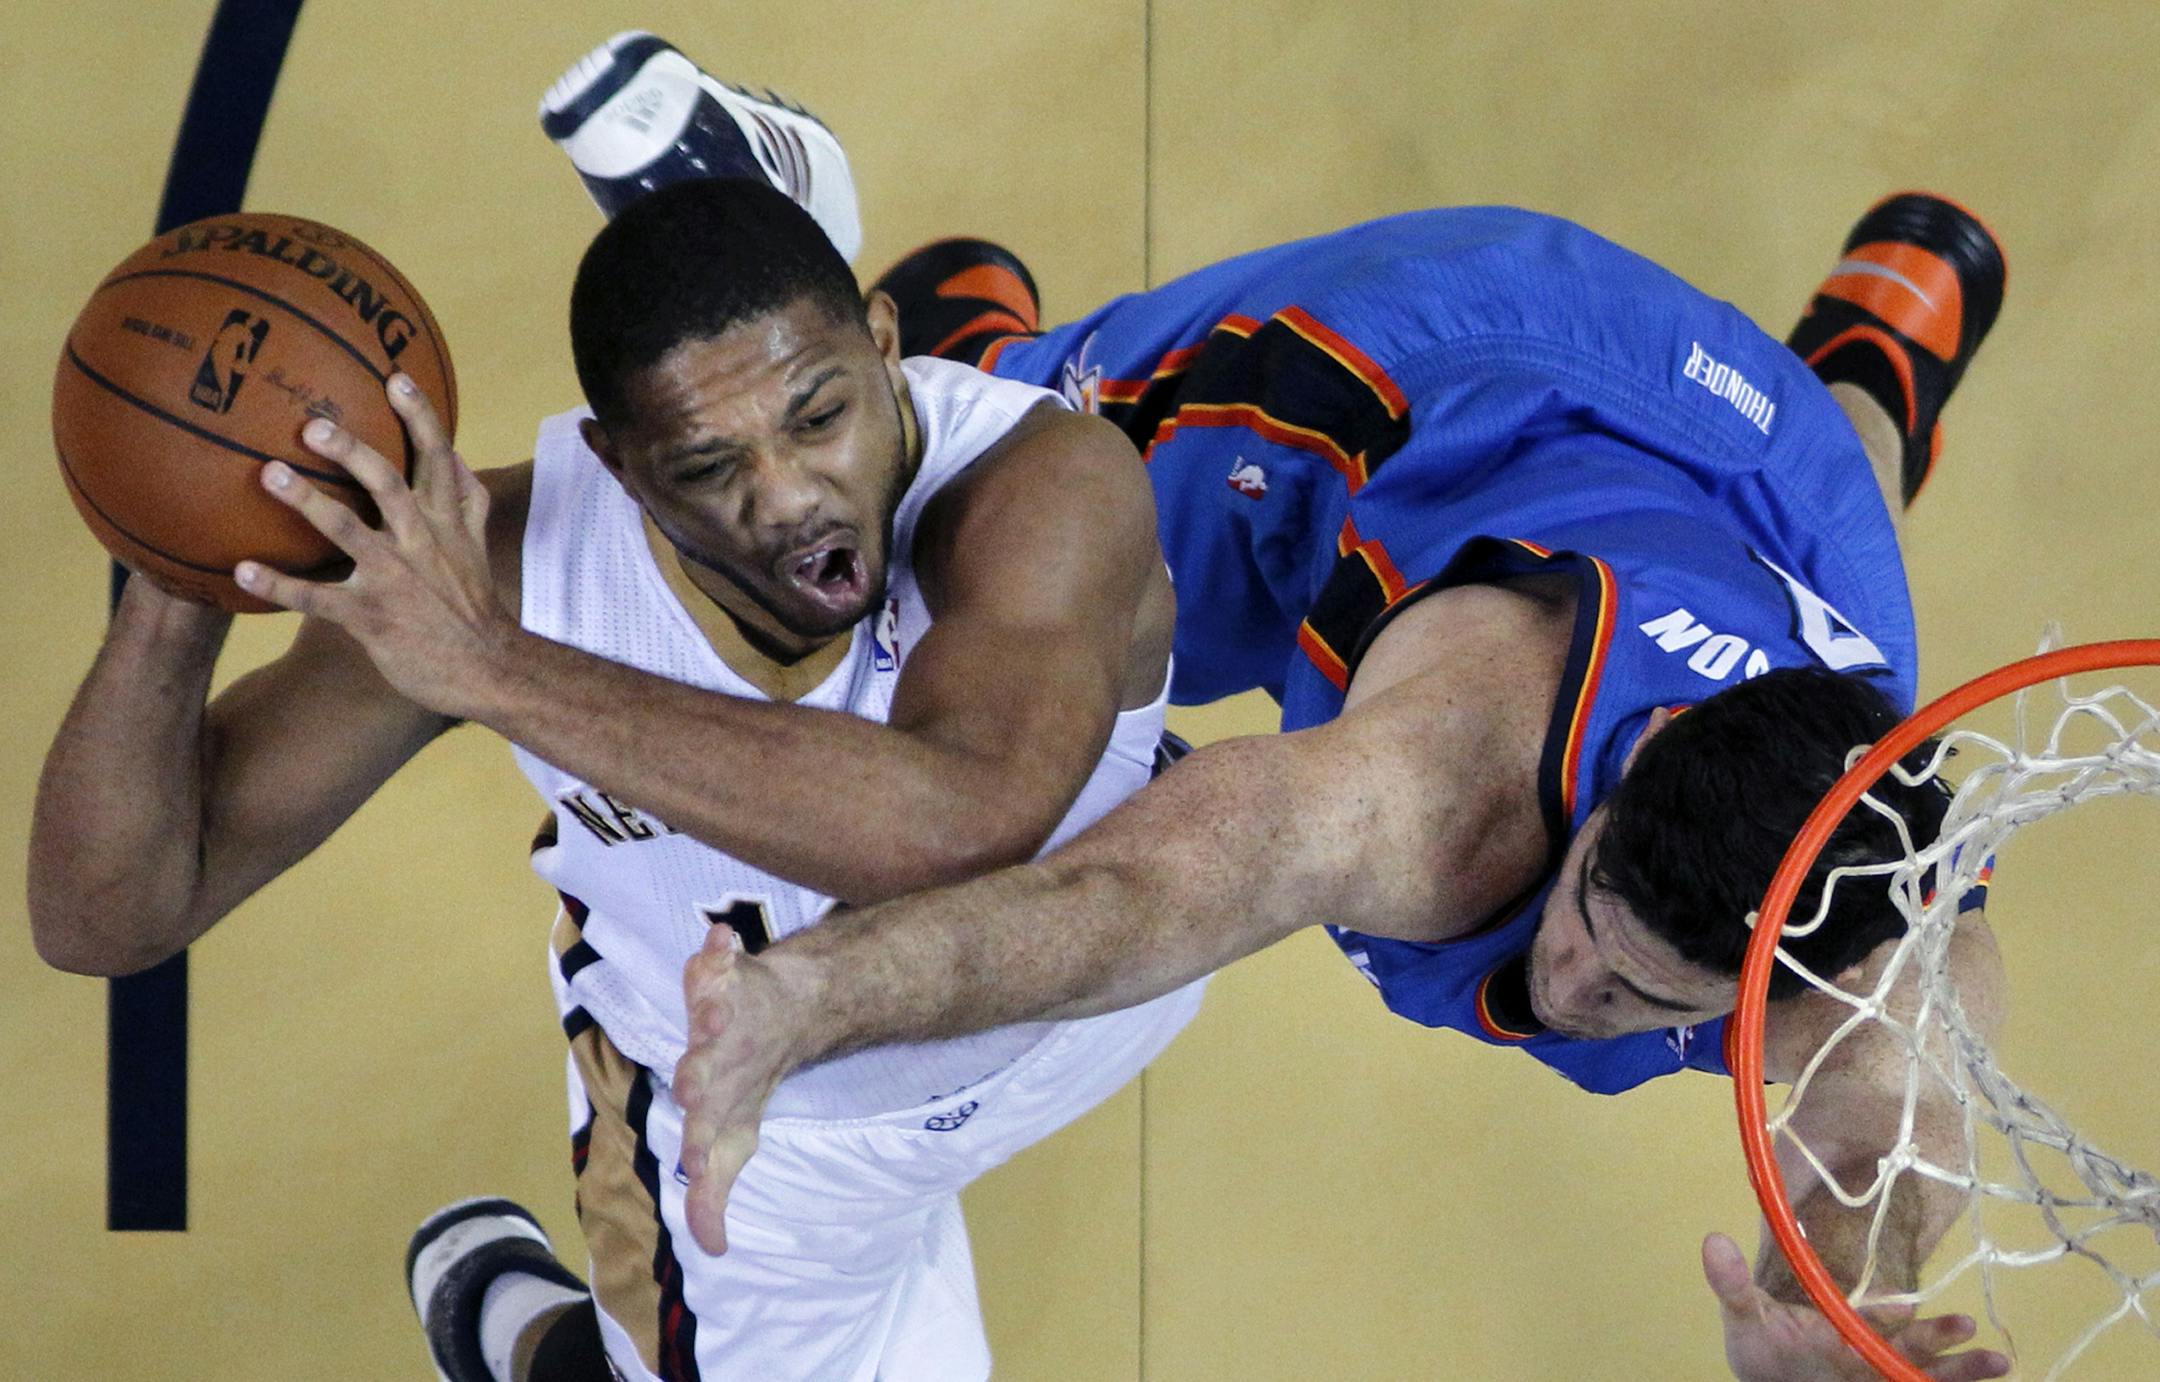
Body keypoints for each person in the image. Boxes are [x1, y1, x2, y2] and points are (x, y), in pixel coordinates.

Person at [543, 32, 2015, 1382]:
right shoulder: (1429, 796)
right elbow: (1132, 892)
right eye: (1587, 911)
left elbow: (1872, 1171)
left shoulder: (1876, 947)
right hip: (1431, 369)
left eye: (1642, 998)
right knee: (987, 515)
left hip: (1751, 469)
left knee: (1839, 472)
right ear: (1630, 773)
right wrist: (808, 997)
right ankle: (903, 297)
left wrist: (1837, 1322)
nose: (1571, 985)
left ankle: (1879, 347)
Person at [29, 152, 1206, 1382]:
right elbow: (107, 914)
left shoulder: (1047, 480)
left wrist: (490, 666)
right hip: (762, 1139)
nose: (790, 495)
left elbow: (962, 820)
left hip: (1090, 988)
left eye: (821, 413)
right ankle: (542, 1340)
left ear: (882, 339)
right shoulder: (498, 567)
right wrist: (182, 566)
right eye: (709, 465)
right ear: (617, 459)